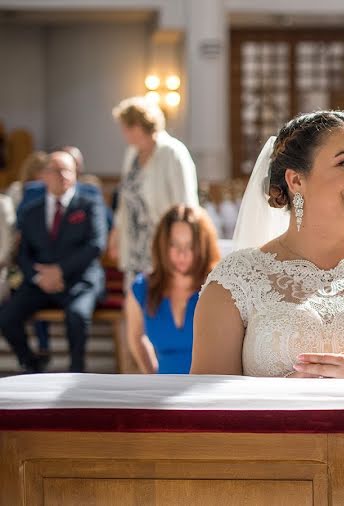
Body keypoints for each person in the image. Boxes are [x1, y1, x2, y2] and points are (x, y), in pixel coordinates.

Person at [191, 110, 344, 505]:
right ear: (296, 180)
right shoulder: (235, 279)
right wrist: (278, 400)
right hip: (270, 484)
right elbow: (204, 414)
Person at [0, 151, 107, 373]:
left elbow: (96, 245)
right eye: (57, 171)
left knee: (77, 316)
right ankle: (31, 363)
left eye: (69, 170)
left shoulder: (89, 205)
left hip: (79, 280)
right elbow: (22, 252)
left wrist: (60, 271)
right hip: (39, 283)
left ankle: (76, 371)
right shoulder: (31, 211)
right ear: (44, 175)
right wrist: (38, 276)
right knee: (7, 317)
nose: (64, 175)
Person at [110, 96, 199, 289]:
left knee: (159, 297)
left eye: (126, 127)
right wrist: (116, 233)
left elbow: (185, 203)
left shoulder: (173, 153)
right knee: (136, 298)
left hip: (163, 240)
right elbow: (125, 199)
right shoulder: (131, 154)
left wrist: (181, 241)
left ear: (138, 126)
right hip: (135, 241)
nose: (124, 133)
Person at [125, 205, 220, 374]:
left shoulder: (219, 288)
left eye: (190, 246)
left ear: (203, 247)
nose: (182, 254)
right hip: (162, 393)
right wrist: (152, 376)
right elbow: (135, 337)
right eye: (174, 245)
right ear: (162, 245)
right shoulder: (142, 288)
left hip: (207, 393)